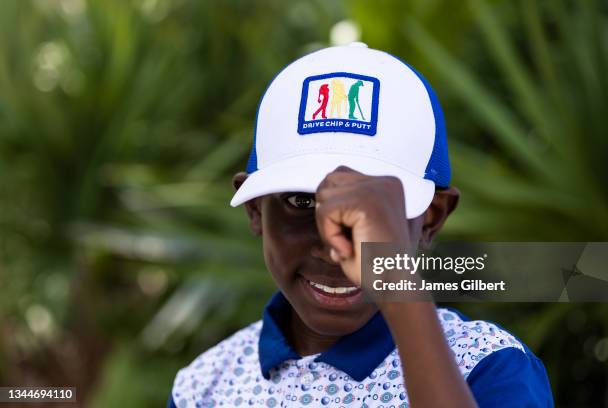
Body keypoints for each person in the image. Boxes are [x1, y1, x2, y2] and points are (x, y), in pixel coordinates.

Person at [168, 43, 553, 407]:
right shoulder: (205, 387)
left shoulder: (487, 367)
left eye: (376, 212)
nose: (335, 246)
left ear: (431, 218)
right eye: (302, 202)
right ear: (255, 210)